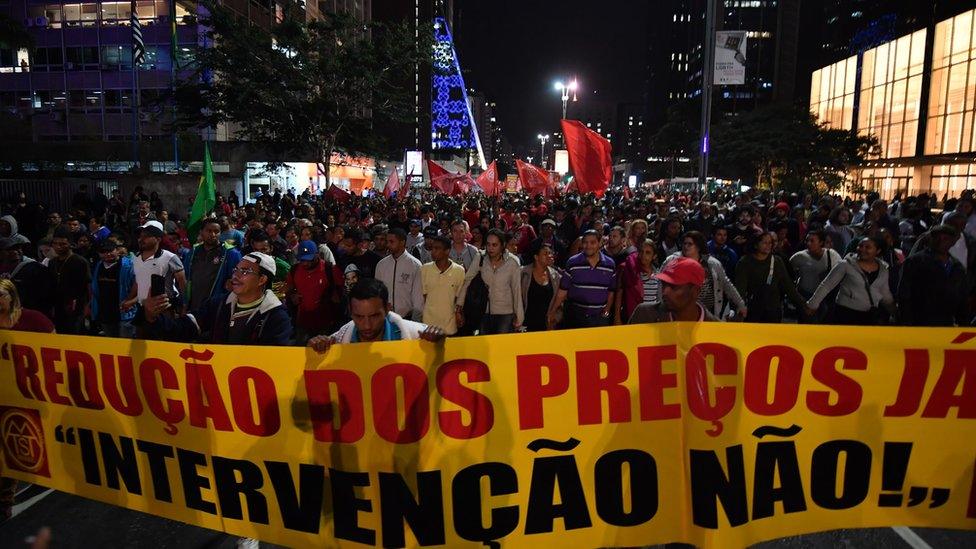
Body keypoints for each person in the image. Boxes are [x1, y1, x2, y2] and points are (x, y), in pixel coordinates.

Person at [141, 252, 292, 344]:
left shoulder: (276, 316)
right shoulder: (218, 304)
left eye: (245, 271)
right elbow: (183, 329)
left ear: (262, 280)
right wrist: (151, 317)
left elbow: (273, 361)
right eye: (236, 269)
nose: (236, 276)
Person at [0, 279, 54, 521]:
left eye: (0, 295)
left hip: (31, 395)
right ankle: (4, 501)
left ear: (12, 296)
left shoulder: (33, 319)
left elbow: (57, 350)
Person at [308, 279, 444, 350]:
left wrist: (439, 344)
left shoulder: (418, 335)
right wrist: (314, 349)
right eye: (359, 317)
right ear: (350, 311)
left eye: (374, 316)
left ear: (388, 309)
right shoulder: (337, 340)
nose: (367, 325)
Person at [806, 236, 896, 325]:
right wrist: (813, 304)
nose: (862, 249)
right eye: (860, 246)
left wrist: (894, 310)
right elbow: (827, 285)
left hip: (868, 316)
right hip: (844, 313)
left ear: (878, 251)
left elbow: (884, 292)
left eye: (867, 247)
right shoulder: (845, 264)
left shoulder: (883, 270)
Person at [664, 230, 746, 320]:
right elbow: (662, 283)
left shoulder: (712, 264)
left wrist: (740, 303)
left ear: (698, 247)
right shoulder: (672, 261)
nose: (686, 246)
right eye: (684, 243)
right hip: (679, 312)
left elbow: (726, 284)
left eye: (690, 244)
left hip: (708, 313)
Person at [899, 225, 970, 326]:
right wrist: (907, 321)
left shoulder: (957, 267)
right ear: (931, 239)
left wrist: (963, 323)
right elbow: (904, 293)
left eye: (945, 238)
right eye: (937, 237)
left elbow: (962, 297)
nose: (941, 241)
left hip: (946, 322)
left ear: (952, 242)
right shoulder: (915, 261)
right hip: (919, 321)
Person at [458, 228, 523, 334]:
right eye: (488, 244)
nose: (490, 248)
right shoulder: (480, 257)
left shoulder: (513, 262)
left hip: (505, 313)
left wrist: (519, 317)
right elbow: (467, 281)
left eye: (494, 245)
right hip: (483, 311)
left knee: (501, 347)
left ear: (503, 245)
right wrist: (459, 307)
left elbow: (517, 290)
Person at [548, 230, 617, 329]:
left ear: (599, 243)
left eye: (592, 242)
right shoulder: (572, 263)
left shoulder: (610, 264)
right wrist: (553, 310)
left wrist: (607, 310)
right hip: (575, 316)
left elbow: (611, 291)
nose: (588, 246)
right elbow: (562, 291)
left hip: (599, 318)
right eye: (585, 242)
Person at [734, 232, 807, 323]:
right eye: (764, 243)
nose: (768, 246)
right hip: (753, 310)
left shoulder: (777, 261)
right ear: (756, 245)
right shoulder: (745, 262)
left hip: (773, 310)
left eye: (770, 243)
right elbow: (740, 289)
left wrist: (803, 305)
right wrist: (738, 309)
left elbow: (788, 287)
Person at [122, 220, 187, 312]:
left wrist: (185, 305)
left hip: (164, 308)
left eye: (146, 236)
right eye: (140, 236)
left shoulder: (170, 257)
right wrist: (129, 300)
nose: (141, 239)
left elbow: (182, 283)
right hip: (143, 307)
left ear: (158, 239)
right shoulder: (138, 258)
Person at [285, 240, 342, 343]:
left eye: (309, 260)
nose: (305, 263)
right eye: (302, 260)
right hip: (303, 322)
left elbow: (341, 293)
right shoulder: (294, 270)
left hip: (326, 323)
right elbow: (288, 289)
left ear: (317, 255)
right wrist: (292, 296)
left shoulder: (330, 269)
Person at [629, 257, 717, 322]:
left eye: (673, 286)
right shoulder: (644, 315)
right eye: (664, 284)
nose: (664, 292)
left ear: (695, 291)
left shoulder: (717, 331)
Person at [181, 219, 242, 311]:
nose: (213, 235)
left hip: (217, 307)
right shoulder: (193, 252)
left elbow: (237, 280)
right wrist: (185, 302)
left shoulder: (230, 253)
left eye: (216, 231)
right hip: (194, 305)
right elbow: (187, 277)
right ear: (201, 232)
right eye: (209, 231)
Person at [375, 228, 425, 321]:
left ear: (402, 242)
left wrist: (415, 321)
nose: (388, 245)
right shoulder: (381, 264)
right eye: (387, 241)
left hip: (407, 319)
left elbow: (418, 297)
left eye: (391, 242)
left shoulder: (415, 265)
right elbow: (378, 293)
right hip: (385, 318)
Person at [420, 235, 466, 335]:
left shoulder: (459, 271)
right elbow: (424, 296)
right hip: (428, 324)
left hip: (449, 325)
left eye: (437, 248)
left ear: (447, 251)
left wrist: (458, 314)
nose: (433, 251)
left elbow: (459, 298)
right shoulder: (424, 269)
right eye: (432, 248)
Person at [91, 239, 136, 337]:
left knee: (125, 345)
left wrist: (130, 301)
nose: (107, 254)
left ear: (117, 250)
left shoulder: (129, 265)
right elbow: (95, 288)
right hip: (105, 312)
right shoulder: (98, 265)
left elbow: (137, 285)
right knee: (111, 344)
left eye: (110, 250)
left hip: (125, 312)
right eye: (103, 252)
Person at [49, 227, 90, 334]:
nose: (58, 247)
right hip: (58, 307)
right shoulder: (52, 262)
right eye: (55, 244)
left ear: (70, 244)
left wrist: (86, 307)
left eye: (62, 244)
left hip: (76, 308)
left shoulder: (80, 262)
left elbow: (88, 286)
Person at [0, 237, 52, 318]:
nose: (15, 252)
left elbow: (45, 297)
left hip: (29, 315)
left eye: (18, 248)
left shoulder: (36, 269)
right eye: (9, 249)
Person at [615, 238, 660, 324]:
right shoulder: (630, 270)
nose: (643, 255)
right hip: (633, 316)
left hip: (652, 317)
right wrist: (617, 317)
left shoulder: (657, 273)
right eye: (641, 251)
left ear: (654, 256)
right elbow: (619, 293)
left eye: (648, 253)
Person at [520, 241, 561, 332]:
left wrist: (555, 318)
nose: (550, 256)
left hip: (546, 325)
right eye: (545, 253)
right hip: (525, 324)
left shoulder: (556, 276)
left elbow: (560, 300)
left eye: (551, 253)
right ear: (536, 257)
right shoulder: (523, 273)